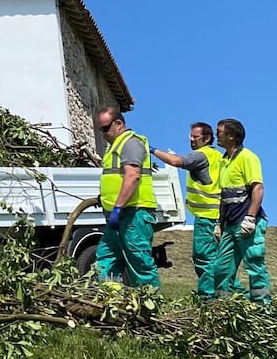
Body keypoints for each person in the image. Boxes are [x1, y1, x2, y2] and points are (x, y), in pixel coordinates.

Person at [149, 122, 224, 300]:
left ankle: (209, 300)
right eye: (190, 136)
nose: (191, 139)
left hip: (207, 217)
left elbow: (176, 162)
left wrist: (153, 150)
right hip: (217, 216)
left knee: (204, 259)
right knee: (218, 261)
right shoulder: (217, 155)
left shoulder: (201, 156)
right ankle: (230, 297)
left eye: (195, 137)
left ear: (206, 138)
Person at [94, 107, 160, 289]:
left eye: (105, 128)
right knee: (106, 260)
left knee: (139, 263)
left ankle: (150, 308)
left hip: (134, 215)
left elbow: (132, 176)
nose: (103, 133)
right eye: (100, 129)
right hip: (118, 216)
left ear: (119, 124)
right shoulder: (115, 146)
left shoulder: (130, 143)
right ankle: (112, 302)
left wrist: (117, 207)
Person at [212, 118, 271, 305]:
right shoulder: (224, 161)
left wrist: (250, 218)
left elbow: (258, 188)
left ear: (232, 136)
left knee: (254, 264)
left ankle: (263, 308)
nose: (216, 135)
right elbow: (225, 196)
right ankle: (223, 307)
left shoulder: (248, 157)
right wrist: (219, 224)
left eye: (219, 131)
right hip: (230, 224)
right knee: (221, 267)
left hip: (246, 222)